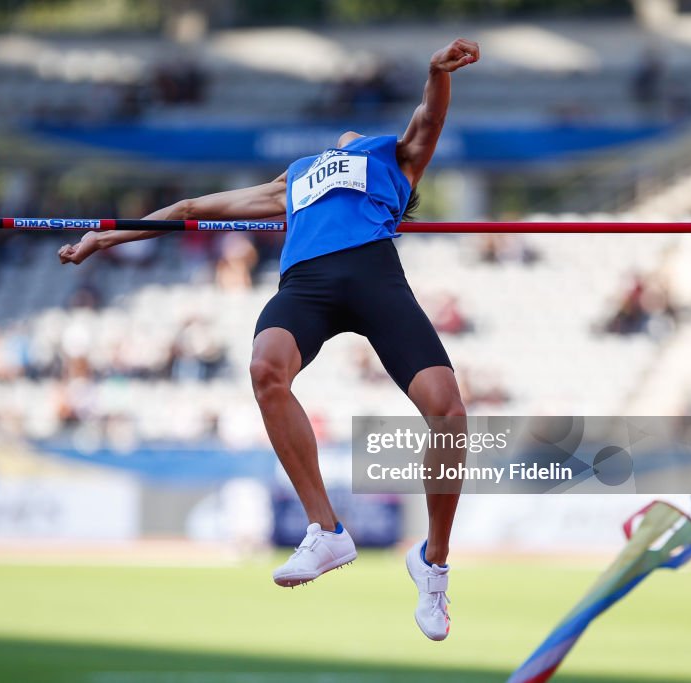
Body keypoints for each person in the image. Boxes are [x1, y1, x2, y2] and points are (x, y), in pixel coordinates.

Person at [59, 38, 480, 641]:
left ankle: (433, 564)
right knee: (265, 370)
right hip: (306, 283)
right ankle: (326, 531)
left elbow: (429, 118)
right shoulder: (296, 177)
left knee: (449, 412)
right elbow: (189, 207)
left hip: (373, 276)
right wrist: (107, 236)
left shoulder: (393, 157)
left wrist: (436, 74)